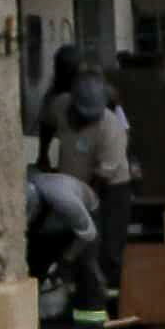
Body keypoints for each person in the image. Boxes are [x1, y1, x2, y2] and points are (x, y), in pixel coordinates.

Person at [62, 70, 139, 297]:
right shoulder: (60, 107)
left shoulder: (111, 127)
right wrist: (43, 155)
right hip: (73, 187)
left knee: (109, 247)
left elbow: (102, 177)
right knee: (80, 244)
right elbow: (47, 122)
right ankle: (81, 293)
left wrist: (84, 203)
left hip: (110, 189)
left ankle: (112, 299)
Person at [28, 161, 113, 329]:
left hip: (85, 222)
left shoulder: (64, 201)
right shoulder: (23, 193)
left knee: (86, 268)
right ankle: (32, 323)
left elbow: (88, 234)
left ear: (38, 204)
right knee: (33, 266)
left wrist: (66, 259)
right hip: (50, 226)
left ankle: (92, 327)